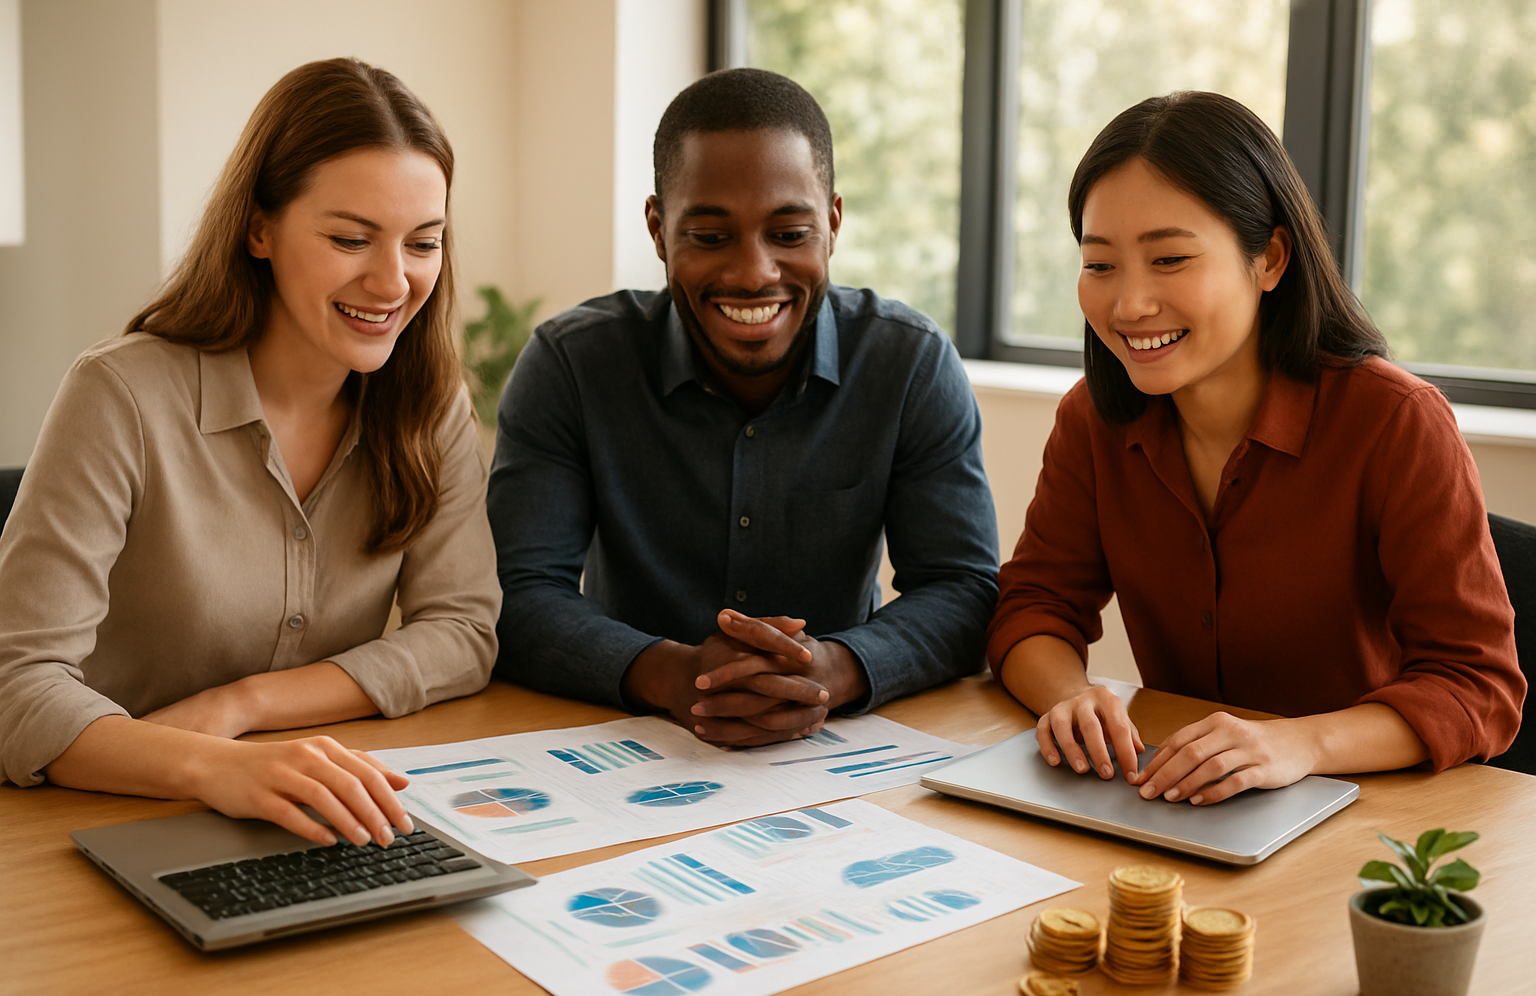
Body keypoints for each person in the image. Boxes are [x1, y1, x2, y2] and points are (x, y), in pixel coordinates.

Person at [0, 58, 501, 846]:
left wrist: (244, 707)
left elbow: (464, 632)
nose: (393, 281)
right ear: (259, 229)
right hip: (98, 819)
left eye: (423, 243)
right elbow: (17, 688)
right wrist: (211, 763)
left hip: (308, 810)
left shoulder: (427, 402)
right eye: (350, 239)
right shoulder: (121, 395)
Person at [989, 91, 1525, 804]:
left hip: (1364, 809)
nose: (1129, 305)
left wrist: (1301, 742)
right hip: (1178, 802)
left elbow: (1479, 686)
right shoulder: (1094, 420)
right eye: (1100, 265)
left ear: (1269, 258)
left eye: (1170, 258)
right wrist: (1070, 697)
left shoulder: (1397, 423)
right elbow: (1033, 606)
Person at [489, 68, 998, 748]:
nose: (754, 272)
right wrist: (672, 675)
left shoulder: (909, 364)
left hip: (838, 759)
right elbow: (516, 594)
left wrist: (832, 670)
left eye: (789, 234)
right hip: (621, 750)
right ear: (658, 228)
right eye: (709, 236)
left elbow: (964, 589)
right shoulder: (572, 365)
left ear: (834, 223)